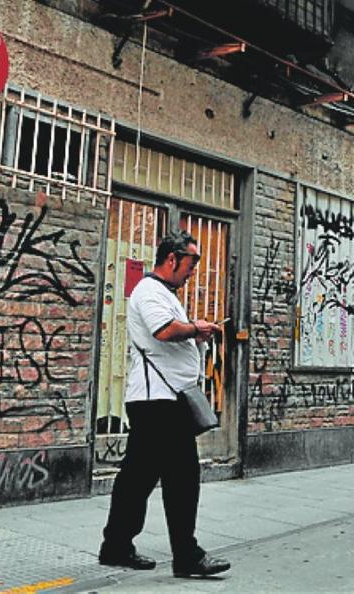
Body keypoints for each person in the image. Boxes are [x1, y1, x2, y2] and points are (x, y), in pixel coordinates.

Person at [99, 231, 231, 578]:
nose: (193, 271)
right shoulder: (149, 291)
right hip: (159, 401)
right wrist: (195, 328)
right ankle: (187, 557)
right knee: (183, 476)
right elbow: (164, 331)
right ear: (172, 259)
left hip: (159, 400)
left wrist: (194, 332)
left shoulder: (163, 293)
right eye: (191, 263)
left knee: (137, 478)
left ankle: (115, 546)